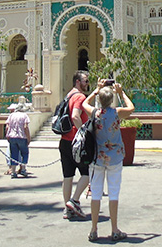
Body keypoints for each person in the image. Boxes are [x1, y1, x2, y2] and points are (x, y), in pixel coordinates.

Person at [82, 81, 135, 242]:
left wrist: (96, 90)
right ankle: (114, 229)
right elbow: (131, 108)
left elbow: (84, 102)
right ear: (111, 100)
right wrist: (121, 92)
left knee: (96, 194)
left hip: (97, 159)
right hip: (115, 158)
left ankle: (93, 229)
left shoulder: (95, 113)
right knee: (113, 193)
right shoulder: (116, 113)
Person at [59, 70, 90, 220]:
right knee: (88, 173)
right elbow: (75, 116)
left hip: (64, 141)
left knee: (67, 177)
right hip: (75, 141)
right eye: (85, 81)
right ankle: (74, 200)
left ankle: (67, 209)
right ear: (78, 82)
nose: (87, 84)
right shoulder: (79, 96)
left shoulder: (69, 95)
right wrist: (83, 133)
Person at [5, 102, 31, 178]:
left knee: (13, 154)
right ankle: (23, 169)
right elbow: (25, 127)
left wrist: (7, 136)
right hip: (22, 137)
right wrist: (28, 138)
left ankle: (13, 171)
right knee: (24, 153)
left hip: (12, 137)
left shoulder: (11, 115)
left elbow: (7, 126)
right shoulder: (25, 116)